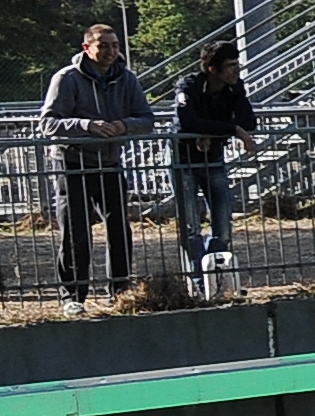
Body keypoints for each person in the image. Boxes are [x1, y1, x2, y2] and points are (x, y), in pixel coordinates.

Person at [38, 19, 157, 309]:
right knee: (75, 230)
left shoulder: (126, 79)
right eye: (103, 46)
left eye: (114, 46)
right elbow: (48, 123)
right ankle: (72, 297)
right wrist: (86, 126)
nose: (110, 52)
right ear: (86, 48)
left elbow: (147, 119)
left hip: (110, 163)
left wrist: (122, 125)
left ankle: (119, 292)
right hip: (72, 164)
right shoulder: (67, 79)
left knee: (119, 229)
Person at [170, 40, 254, 273]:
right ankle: (198, 281)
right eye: (230, 65)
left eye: (237, 64)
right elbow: (187, 121)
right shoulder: (188, 86)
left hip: (214, 158)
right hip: (184, 160)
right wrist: (233, 130)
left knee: (223, 226)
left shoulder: (235, 87)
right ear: (212, 69)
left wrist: (209, 131)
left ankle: (216, 274)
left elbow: (249, 121)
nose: (236, 70)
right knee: (190, 228)